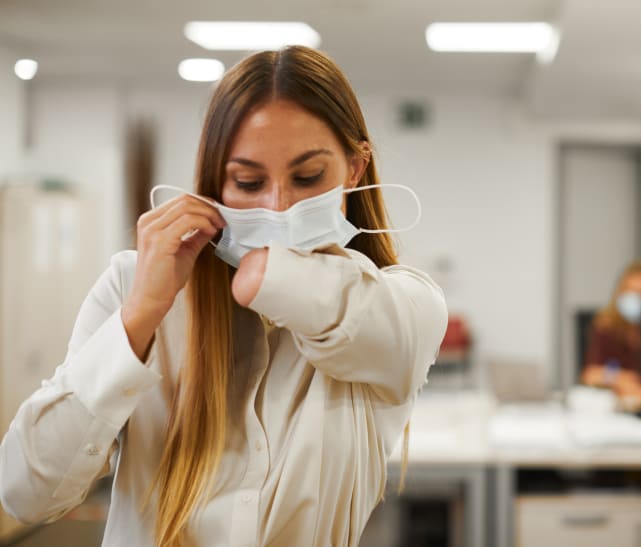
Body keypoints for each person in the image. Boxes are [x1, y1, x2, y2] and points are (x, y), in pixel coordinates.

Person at [0, 46, 448, 547]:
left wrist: (256, 264)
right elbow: (25, 494)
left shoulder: (407, 307)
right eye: (248, 181)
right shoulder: (133, 287)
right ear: (214, 184)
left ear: (354, 168)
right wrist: (141, 316)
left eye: (307, 177)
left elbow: (276, 283)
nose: (277, 207)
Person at [580, 260, 641, 407]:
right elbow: (590, 375)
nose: (634, 299)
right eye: (630, 291)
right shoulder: (606, 326)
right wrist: (618, 378)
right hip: (618, 407)